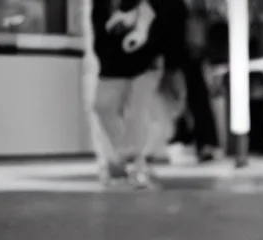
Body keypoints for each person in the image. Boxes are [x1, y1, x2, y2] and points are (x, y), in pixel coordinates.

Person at [90, 0, 186, 189]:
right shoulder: (102, 6)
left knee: (137, 112)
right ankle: (122, 158)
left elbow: (168, 18)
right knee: (103, 106)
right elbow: (99, 27)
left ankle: (136, 163)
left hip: (145, 61)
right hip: (113, 63)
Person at [169, 5, 219, 164]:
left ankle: (200, 142)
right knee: (194, 100)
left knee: (194, 99)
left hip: (185, 52)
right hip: (183, 51)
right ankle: (201, 142)